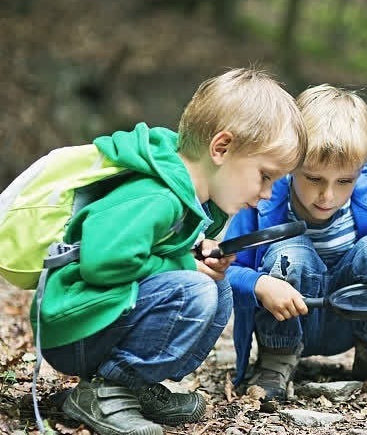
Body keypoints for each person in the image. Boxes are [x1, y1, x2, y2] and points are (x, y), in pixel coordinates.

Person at [32, 68, 307, 435]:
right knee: (194, 289)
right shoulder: (157, 195)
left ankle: (132, 387)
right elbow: (104, 262)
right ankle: (104, 393)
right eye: (265, 175)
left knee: (217, 287)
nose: (267, 193)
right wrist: (184, 263)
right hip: (75, 329)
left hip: (99, 320)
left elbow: (154, 250)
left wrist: (196, 251)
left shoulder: (185, 198)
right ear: (221, 148)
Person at [226, 84, 367, 402]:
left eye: (344, 181)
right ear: (291, 164)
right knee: (291, 250)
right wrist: (260, 284)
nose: (328, 196)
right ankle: (276, 359)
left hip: (352, 319)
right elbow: (228, 271)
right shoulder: (264, 202)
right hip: (287, 318)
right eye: (314, 179)